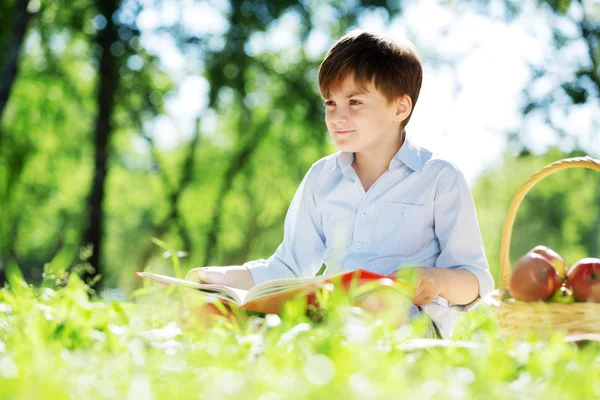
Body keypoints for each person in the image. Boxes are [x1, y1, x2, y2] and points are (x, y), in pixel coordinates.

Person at [181, 29, 494, 339]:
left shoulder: (440, 177)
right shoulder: (322, 177)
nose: (336, 116)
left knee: (374, 300)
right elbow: (288, 267)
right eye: (330, 103)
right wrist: (219, 278)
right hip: (330, 317)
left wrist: (437, 281)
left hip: (410, 324)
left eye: (354, 102)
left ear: (400, 108)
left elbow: (476, 279)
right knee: (211, 307)